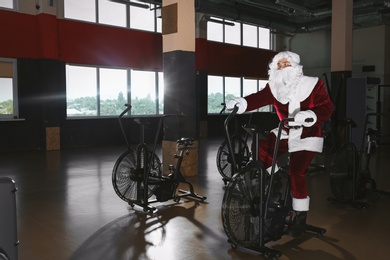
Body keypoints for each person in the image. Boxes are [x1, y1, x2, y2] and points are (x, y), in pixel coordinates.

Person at [226, 51, 334, 237]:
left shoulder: (313, 84)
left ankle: (300, 217)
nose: (283, 68)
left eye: (286, 64)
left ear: (296, 67)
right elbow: (257, 98)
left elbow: (327, 107)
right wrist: (241, 102)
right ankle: (275, 178)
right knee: (259, 146)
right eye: (280, 65)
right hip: (285, 133)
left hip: (307, 135)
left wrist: (311, 115)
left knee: (296, 171)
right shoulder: (274, 87)